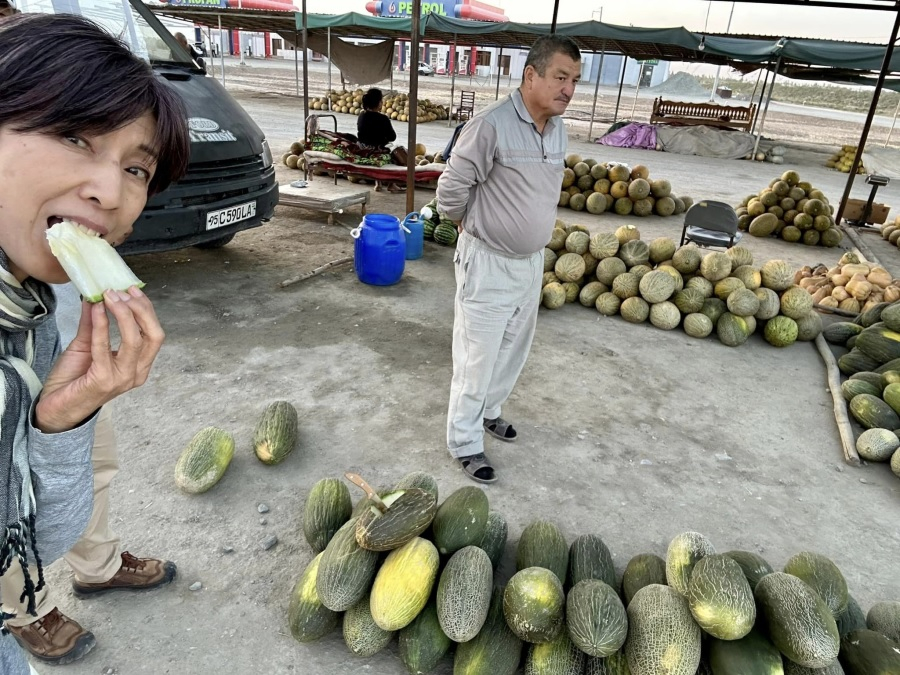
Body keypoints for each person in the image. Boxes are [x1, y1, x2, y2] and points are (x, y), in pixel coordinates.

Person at [0, 12, 189, 673]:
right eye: (75, 136)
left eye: (137, 168)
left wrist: (61, 421)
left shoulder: (35, 310)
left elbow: (35, 544)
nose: (110, 193)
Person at [436, 35, 581, 484]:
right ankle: (464, 441)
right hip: (488, 262)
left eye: (575, 81)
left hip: (531, 262)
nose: (568, 90)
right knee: (476, 357)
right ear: (531, 75)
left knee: (513, 349)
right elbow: (450, 191)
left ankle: (489, 411)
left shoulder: (557, 129)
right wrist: (467, 226)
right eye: (561, 77)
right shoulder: (490, 125)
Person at [356, 88, 405, 193]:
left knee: (380, 146)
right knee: (396, 154)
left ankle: (378, 183)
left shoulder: (361, 115)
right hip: (375, 151)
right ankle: (392, 184)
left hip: (362, 148)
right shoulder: (383, 119)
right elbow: (392, 137)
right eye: (381, 101)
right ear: (378, 103)